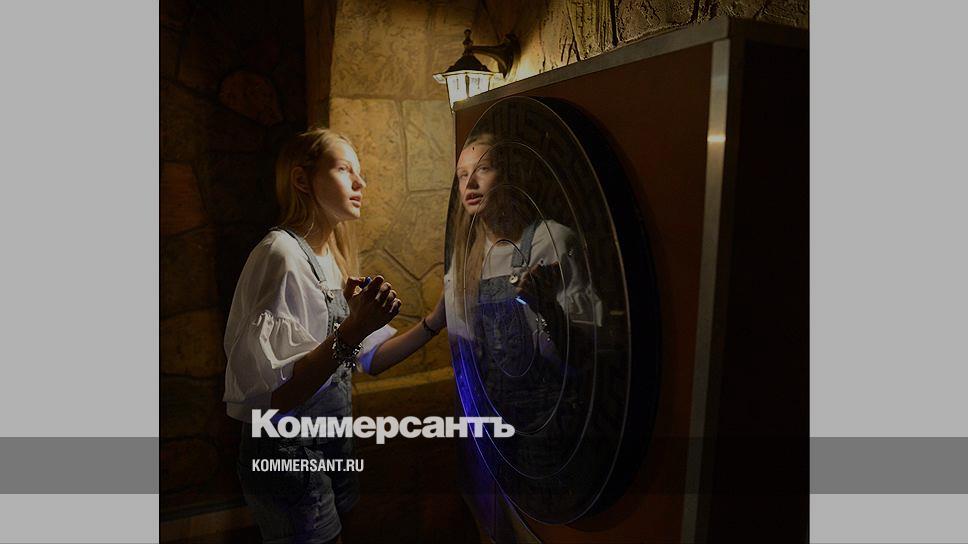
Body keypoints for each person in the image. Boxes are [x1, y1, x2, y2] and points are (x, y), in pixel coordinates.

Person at [222, 127, 446, 544]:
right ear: (302, 179)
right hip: (288, 456)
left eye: (359, 172)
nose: (361, 183)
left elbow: (370, 358)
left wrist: (437, 319)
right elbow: (276, 396)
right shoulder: (280, 255)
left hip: (332, 446)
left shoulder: (333, 259)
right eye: (345, 169)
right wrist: (354, 327)